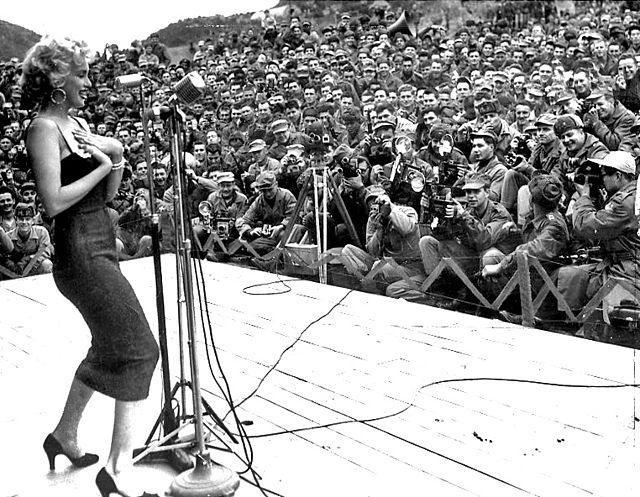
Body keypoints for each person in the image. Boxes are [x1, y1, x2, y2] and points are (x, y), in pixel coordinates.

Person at [21, 37, 159, 496]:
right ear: (58, 82)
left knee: (109, 347)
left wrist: (115, 156)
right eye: (80, 74)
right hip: (79, 251)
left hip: (102, 241)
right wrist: (101, 164)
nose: (88, 81)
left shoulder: (76, 123)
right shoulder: (43, 128)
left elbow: (110, 195)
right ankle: (118, 470)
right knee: (140, 349)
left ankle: (64, 436)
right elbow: (54, 201)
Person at [557, 151, 640, 337]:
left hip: (630, 267)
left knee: (583, 281)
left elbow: (587, 226)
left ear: (618, 175)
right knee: (570, 274)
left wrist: (584, 197)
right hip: (623, 260)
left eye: (603, 175)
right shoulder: (630, 194)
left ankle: (577, 329)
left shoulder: (626, 201)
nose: (600, 180)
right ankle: (562, 323)